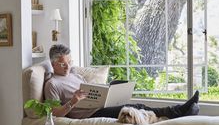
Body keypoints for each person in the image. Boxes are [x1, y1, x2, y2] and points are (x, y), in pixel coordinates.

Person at [44, 44, 199, 120]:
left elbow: (88, 89)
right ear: (53, 64)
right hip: (90, 114)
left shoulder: (74, 74)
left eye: (70, 62)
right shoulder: (52, 84)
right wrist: (72, 102)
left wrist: (104, 90)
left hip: (97, 105)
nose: (68, 66)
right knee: (135, 107)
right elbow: (55, 114)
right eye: (63, 64)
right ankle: (178, 112)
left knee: (118, 85)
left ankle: (179, 111)